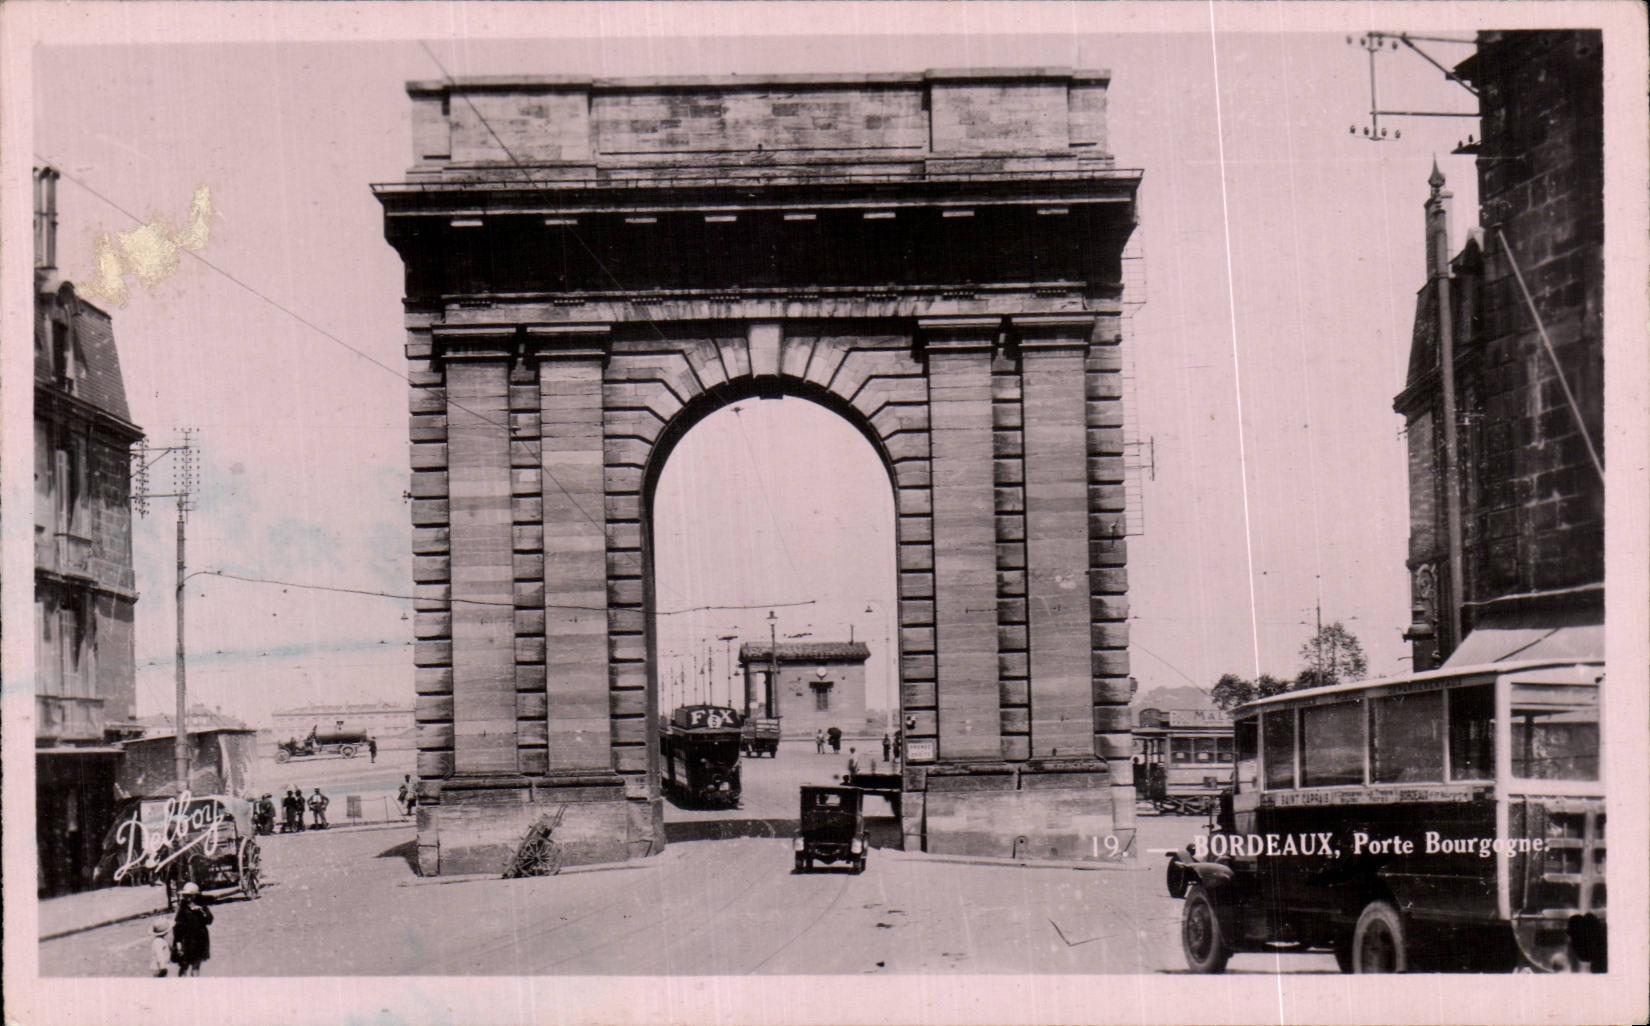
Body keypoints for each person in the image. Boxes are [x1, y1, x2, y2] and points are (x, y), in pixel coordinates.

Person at [170, 882, 213, 976]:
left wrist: (201, 911)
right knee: (184, 965)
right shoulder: (182, 908)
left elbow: (209, 920)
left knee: (196, 965)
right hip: (186, 941)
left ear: (195, 896)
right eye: (185, 896)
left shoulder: (201, 906)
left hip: (200, 940)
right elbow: (177, 927)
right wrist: (178, 942)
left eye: (190, 896)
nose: (187, 898)